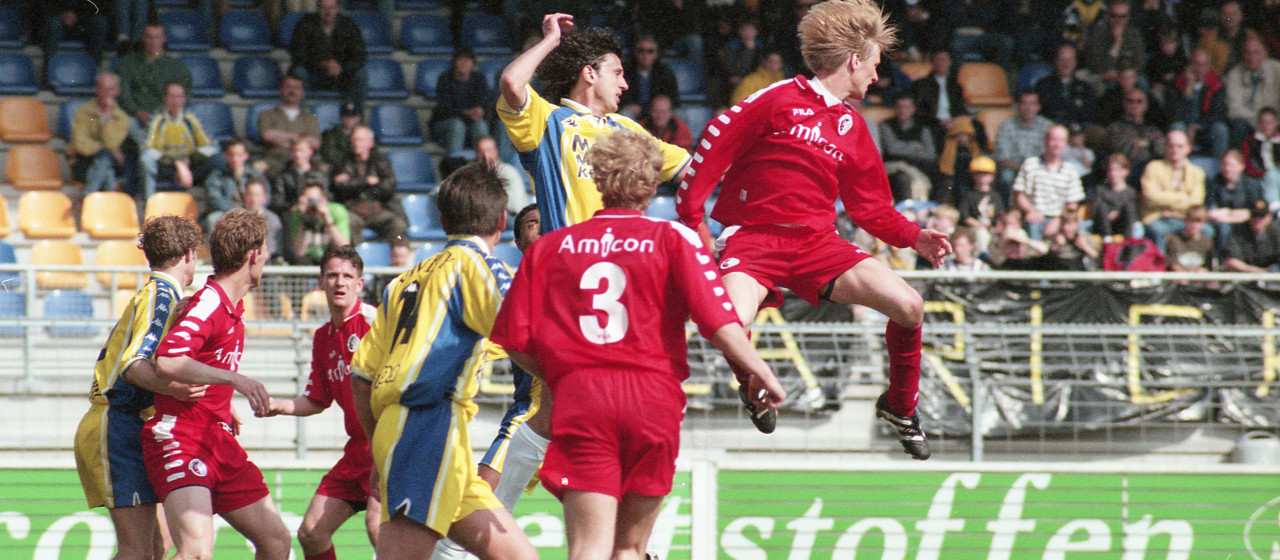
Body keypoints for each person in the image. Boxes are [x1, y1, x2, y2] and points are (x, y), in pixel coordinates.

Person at [490, 128, 786, 560]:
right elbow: (720, 321)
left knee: (588, 548)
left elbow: (511, 339)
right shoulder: (675, 239)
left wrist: (562, 373)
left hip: (582, 398)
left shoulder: (550, 247)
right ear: (652, 184)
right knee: (629, 548)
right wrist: (758, 369)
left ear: (597, 181)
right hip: (652, 401)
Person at [674, 0, 951, 457]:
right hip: (754, 240)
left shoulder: (852, 125)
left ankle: (900, 405)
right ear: (854, 60)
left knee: (910, 305)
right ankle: (752, 385)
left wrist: (913, 236)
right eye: (875, 66)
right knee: (731, 323)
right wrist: (692, 218)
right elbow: (715, 140)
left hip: (818, 246)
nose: (876, 78)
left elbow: (870, 207)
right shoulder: (777, 97)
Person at [350, 163, 538, 560]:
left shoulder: (405, 279)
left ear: (441, 219)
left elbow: (361, 375)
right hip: (426, 423)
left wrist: (378, 449)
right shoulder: (478, 266)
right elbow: (523, 333)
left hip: (426, 434)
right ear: (502, 221)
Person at [142, 209, 291, 560]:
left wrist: (224, 403)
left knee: (276, 541)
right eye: (265, 251)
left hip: (217, 438)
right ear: (254, 255)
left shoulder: (229, 307)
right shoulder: (209, 303)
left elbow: (203, 362)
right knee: (195, 552)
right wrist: (235, 379)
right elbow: (168, 360)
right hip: (182, 437)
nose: (266, 259)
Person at [73, 216, 205, 560]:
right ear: (190, 254)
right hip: (117, 422)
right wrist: (176, 389)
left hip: (130, 425)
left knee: (159, 542)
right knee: (136, 549)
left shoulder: (163, 296)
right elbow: (134, 366)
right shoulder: (161, 296)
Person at [497, 14, 690, 233]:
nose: (624, 84)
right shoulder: (547, 121)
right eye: (617, 73)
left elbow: (694, 169)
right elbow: (511, 82)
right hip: (569, 260)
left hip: (617, 261)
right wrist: (551, 41)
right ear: (589, 73)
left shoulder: (627, 129)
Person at [430, 204, 546, 560]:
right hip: (529, 418)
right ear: (516, 236)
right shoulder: (507, 286)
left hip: (577, 420)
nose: (540, 228)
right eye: (531, 223)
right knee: (482, 511)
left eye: (545, 221)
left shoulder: (570, 278)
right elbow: (489, 341)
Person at [265, 244, 380, 560]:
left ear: (360, 284)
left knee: (378, 526)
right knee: (312, 533)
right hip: (358, 450)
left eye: (347, 276)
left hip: (387, 445)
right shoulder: (323, 337)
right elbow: (317, 400)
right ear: (320, 283)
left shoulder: (376, 322)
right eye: (332, 275)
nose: (339, 282)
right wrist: (279, 406)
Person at [140, 81, 220, 200]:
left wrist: (188, 161)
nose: (175, 101)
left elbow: (211, 146)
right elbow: (147, 148)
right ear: (165, 98)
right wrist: (177, 163)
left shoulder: (190, 118)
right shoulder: (158, 118)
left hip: (189, 167)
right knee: (145, 160)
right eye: (172, 96)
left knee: (219, 158)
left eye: (179, 97)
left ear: (184, 99)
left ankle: (214, 197)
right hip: (165, 167)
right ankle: (149, 202)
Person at [116, 22, 193, 143]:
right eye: (149, 37)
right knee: (126, 122)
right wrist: (137, 112)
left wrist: (162, 115)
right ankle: (154, 146)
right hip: (134, 117)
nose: (153, 41)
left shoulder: (177, 67)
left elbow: (185, 96)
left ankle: (151, 147)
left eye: (157, 37)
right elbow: (123, 95)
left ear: (164, 39)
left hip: (165, 116)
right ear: (143, 38)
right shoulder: (126, 63)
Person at [289, 0, 369, 110]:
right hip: (314, 74)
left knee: (360, 75)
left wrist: (341, 67)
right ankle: (299, 117)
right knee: (298, 72)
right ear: (318, 9)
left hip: (340, 76)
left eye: (331, 8)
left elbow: (360, 56)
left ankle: (355, 119)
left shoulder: (348, 25)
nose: (328, 12)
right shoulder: (305, 24)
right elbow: (297, 55)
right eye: (324, 8)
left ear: (337, 9)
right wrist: (323, 64)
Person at [332, 125, 406, 244]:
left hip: (378, 209)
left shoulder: (381, 161)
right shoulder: (343, 162)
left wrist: (359, 189)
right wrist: (366, 181)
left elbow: (388, 186)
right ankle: (359, 257)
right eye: (353, 140)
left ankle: (383, 255)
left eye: (360, 140)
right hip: (353, 209)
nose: (356, 143)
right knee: (348, 223)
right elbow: (340, 187)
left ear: (370, 143)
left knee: (398, 224)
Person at [1011, 124, 1086, 240]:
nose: (1057, 144)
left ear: (1065, 143)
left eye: (1061, 140)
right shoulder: (1030, 164)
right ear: (1045, 141)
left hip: (1060, 218)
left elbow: (1072, 205)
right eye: (1053, 139)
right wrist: (1031, 211)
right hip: (1035, 216)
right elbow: (1018, 195)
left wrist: (1058, 220)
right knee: (1032, 226)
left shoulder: (1070, 170)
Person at [1142, 130, 1208, 253]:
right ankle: (1160, 268)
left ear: (1188, 148)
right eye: (1171, 145)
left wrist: (1164, 198)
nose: (1175, 150)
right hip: (1158, 217)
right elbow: (1150, 198)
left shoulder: (1197, 173)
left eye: (1180, 146)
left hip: (1185, 219)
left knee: (1207, 231)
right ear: (1165, 148)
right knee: (1157, 230)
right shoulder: (1153, 167)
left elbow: (1195, 202)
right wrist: (1182, 197)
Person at [70, 73, 130, 195]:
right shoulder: (83, 111)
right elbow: (81, 146)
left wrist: (107, 116)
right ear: (96, 90)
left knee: (105, 159)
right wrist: (103, 149)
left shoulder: (122, 117)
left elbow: (112, 143)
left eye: (111, 89)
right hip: (83, 161)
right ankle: (110, 202)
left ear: (117, 91)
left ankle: (87, 198)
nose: (107, 93)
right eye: (104, 88)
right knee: (105, 163)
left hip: (111, 162)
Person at [1168, 49, 1229, 158]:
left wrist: (1196, 127)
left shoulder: (1216, 83)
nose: (1199, 69)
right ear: (1190, 65)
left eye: (1203, 65)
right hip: (1184, 128)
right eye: (1196, 64)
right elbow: (1174, 114)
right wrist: (1188, 89)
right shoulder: (1176, 83)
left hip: (1204, 129)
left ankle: (1219, 169)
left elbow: (1218, 114)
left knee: (1220, 129)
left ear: (1209, 66)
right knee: (1177, 126)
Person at [257, 75, 323, 177]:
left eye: (296, 88)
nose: (292, 91)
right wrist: (299, 139)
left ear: (302, 93)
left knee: (324, 168)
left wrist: (281, 138)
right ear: (281, 90)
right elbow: (267, 135)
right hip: (274, 160)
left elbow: (315, 143)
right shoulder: (267, 114)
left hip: (304, 161)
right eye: (288, 87)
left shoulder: (310, 118)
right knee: (257, 167)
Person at [430, 47, 492, 155]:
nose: (464, 63)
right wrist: (465, 113)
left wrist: (479, 111)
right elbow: (444, 109)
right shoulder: (445, 79)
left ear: (473, 63)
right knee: (457, 125)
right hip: (446, 124)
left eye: (468, 60)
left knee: (480, 125)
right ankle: (454, 162)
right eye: (460, 59)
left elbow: (484, 103)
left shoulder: (479, 79)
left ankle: (485, 165)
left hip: (472, 124)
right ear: (454, 62)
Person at [994, 91, 1055, 199]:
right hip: (1015, 169)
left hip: (1042, 169)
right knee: (1006, 175)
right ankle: (1007, 210)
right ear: (1018, 106)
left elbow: (1053, 154)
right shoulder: (1007, 126)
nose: (1028, 108)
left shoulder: (1048, 127)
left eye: (1032, 104)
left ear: (1038, 107)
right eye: (1024, 103)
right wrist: (1025, 170)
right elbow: (1003, 159)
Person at [201, 138, 267, 230]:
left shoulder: (255, 175)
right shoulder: (217, 177)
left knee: (269, 219)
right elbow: (215, 199)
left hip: (251, 211)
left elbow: (267, 195)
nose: (235, 159)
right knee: (213, 219)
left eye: (239, 155)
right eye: (231, 155)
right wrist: (236, 212)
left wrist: (252, 208)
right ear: (226, 155)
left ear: (246, 155)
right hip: (226, 213)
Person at [1225, 37, 1280, 146]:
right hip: (1249, 123)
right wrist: (1260, 122)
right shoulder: (1234, 75)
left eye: (1256, 52)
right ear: (1242, 55)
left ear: (1265, 53)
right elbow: (1234, 109)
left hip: (1276, 122)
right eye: (1248, 53)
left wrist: (1271, 122)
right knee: (1238, 124)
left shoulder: (1277, 69)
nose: (1252, 57)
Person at [1033, 44, 1098, 128]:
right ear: (1056, 61)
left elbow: (1090, 113)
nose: (1066, 64)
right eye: (1062, 59)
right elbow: (1045, 111)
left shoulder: (1084, 87)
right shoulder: (1043, 84)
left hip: (1077, 130)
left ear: (1075, 62)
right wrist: (1074, 104)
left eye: (1069, 60)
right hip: (1050, 129)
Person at [288, 182, 351, 266]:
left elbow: (344, 246)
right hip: (308, 261)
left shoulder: (337, 211)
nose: (312, 205)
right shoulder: (298, 214)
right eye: (309, 200)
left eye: (314, 200)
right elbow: (299, 252)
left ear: (324, 199)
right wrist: (302, 218)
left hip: (333, 260)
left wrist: (327, 218)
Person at [619, 35, 681, 118]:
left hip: (658, 112)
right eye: (641, 50)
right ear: (635, 52)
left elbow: (674, 100)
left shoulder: (665, 72)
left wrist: (644, 108)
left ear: (656, 54)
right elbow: (621, 99)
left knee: (680, 114)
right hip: (633, 112)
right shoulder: (625, 70)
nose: (645, 55)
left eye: (650, 51)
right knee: (625, 114)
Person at [272, 138, 331, 218]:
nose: (297, 154)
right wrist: (292, 207)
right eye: (294, 151)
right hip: (292, 215)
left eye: (301, 151)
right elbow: (278, 201)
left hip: (317, 213)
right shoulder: (283, 176)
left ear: (310, 151)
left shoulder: (319, 174)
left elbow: (327, 196)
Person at [958, 155, 1004, 254]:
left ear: (992, 176)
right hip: (975, 229)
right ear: (973, 176)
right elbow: (965, 216)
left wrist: (999, 226)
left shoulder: (995, 196)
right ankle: (981, 259)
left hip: (992, 228)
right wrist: (981, 226)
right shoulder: (969, 195)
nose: (982, 176)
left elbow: (1000, 215)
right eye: (978, 173)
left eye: (986, 173)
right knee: (982, 235)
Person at [1091, 153, 1140, 239]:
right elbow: (1096, 210)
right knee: (1102, 207)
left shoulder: (1130, 192)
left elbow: (1133, 214)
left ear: (1125, 171)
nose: (1113, 174)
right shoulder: (1101, 190)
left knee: (1129, 208)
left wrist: (1117, 214)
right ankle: (1107, 238)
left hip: (1122, 226)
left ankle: (1128, 241)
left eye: (1117, 170)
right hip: (1103, 225)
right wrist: (1108, 214)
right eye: (1110, 170)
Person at [1222, 199, 1280, 271]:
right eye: (1254, 216)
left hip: (1272, 275)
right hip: (1246, 275)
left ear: (1269, 217)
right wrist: (1256, 271)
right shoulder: (1238, 232)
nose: (1257, 220)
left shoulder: (1276, 232)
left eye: (1261, 216)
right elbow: (1231, 261)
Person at [475, 136, 527, 213]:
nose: (485, 156)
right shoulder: (473, 173)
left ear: (496, 152)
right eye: (480, 152)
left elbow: (515, 207)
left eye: (489, 151)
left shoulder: (508, 172)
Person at [1166, 205, 1216, 272]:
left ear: (1204, 223)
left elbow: (1209, 268)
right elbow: (1173, 266)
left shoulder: (1207, 243)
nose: (1194, 225)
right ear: (1185, 221)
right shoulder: (1174, 240)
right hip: (1180, 279)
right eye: (1191, 221)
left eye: (1198, 221)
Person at [320, 102, 361, 169]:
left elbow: (372, 154)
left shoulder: (364, 135)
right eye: (347, 117)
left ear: (358, 118)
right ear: (341, 117)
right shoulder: (330, 134)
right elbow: (330, 155)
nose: (350, 120)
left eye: (353, 117)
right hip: (337, 168)